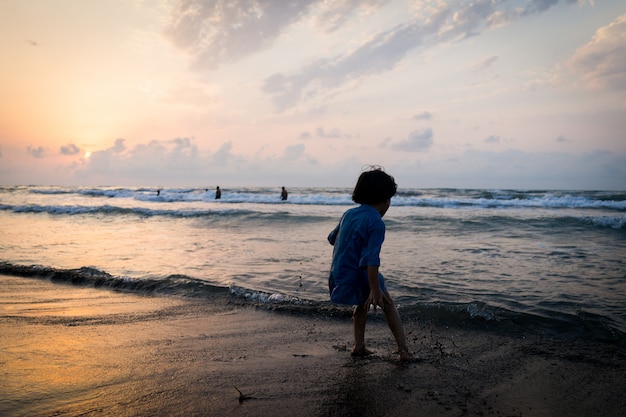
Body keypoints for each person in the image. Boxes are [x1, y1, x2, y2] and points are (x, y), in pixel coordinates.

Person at [327, 167, 414, 361]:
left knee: (361, 306)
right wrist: (375, 289)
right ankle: (404, 351)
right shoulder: (376, 222)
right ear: (385, 199)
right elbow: (370, 259)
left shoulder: (348, 214)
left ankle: (359, 346)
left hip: (340, 272)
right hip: (362, 274)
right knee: (389, 305)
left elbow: (332, 238)